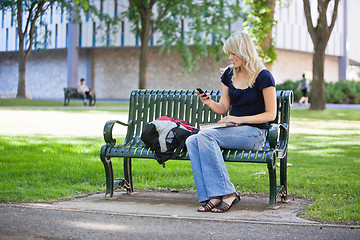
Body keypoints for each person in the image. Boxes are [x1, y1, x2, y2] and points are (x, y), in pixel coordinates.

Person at [185, 32, 277, 213]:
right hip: (233, 130)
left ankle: (227, 193)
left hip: (255, 133)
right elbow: (223, 108)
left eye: (233, 53)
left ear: (244, 52)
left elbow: (270, 114)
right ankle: (211, 195)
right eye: (229, 53)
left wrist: (239, 119)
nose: (229, 58)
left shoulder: (264, 77)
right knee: (192, 140)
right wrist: (209, 102)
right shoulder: (229, 74)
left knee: (205, 136)